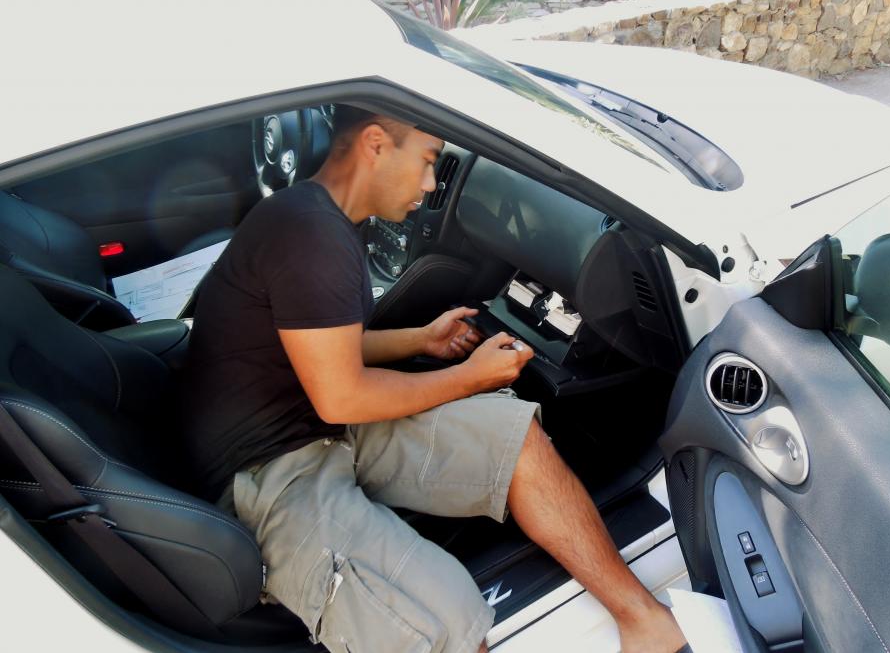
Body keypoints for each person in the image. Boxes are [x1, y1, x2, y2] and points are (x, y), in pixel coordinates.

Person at [182, 106, 690, 653]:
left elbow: (324, 347)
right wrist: (471, 377)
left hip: (310, 421)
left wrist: (421, 340)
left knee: (513, 438)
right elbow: (342, 395)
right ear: (376, 144)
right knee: (446, 628)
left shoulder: (312, 216)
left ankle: (644, 622)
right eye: (427, 160)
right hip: (265, 475)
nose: (430, 184)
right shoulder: (312, 235)